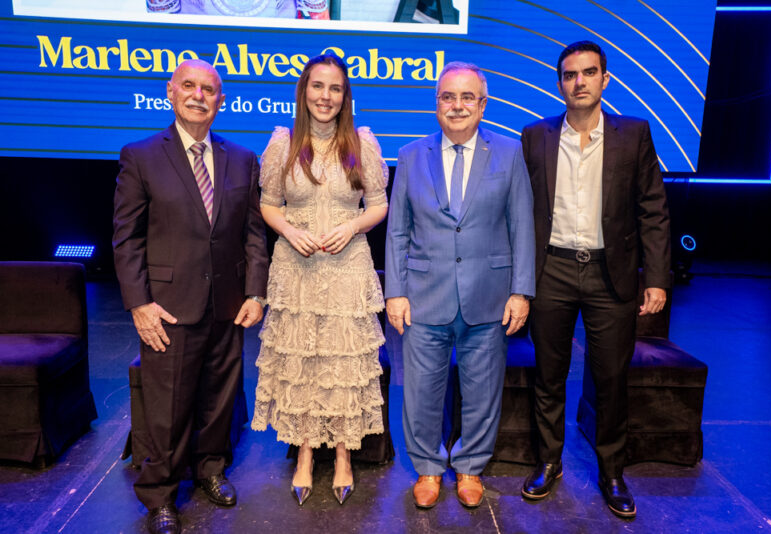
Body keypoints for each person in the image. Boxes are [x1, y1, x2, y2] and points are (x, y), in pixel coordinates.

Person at [113, 59, 269, 534]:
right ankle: (159, 494)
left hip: (227, 304)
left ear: (221, 101)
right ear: (170, 92)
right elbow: (126, 237)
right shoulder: (140, 155)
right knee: (167, 406)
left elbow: (254, 234)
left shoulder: (242, 158)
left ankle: (210, 471)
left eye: (209, 89)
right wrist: (139, 304)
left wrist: (255, 292)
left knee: (220, 399)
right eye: (189, 86)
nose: (199, 95)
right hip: (166, 306)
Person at [519, 40, 671, 519]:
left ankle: (611, 472)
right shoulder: (535, 136)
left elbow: (653, 209)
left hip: (612, 273)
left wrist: (659, 276)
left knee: (610, 378)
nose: (578, 82)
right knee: (549, 374)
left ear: (605, 80)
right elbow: (521, 214)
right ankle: (549, 462)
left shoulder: (634, 134)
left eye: (588, 73)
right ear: (559, 82)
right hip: (553, 270)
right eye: (569, 74)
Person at [385, 61, 535, 509]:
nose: (457, 106)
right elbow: (397, 230)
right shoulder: (412, 155)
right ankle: (429, 469)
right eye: (448, 97)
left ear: (483, 104)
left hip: (488, 295)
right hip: (424, 295)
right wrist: (395, 291)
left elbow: (521, 225)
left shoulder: (509, 154)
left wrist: (521, 291)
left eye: (467, 97)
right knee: (421, 392)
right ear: (437, 105)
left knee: (483, 390)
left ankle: (470, 466)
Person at [251, 53, 388, 507]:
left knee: (343, 366)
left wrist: (351, 227)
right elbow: (269, 202)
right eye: (317, 87)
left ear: (345, 96)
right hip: (297, 269)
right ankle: (306, 456)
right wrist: (289, 230)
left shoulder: (361, 143)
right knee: (305, 364)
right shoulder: (283, 143)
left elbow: (378, 204)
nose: (325, 96)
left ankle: (345, 458)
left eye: (335, 88)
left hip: (348, 267)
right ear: (304, 91)